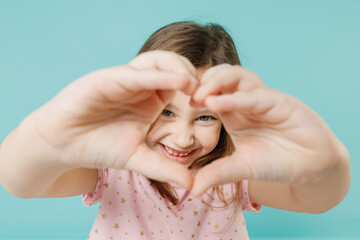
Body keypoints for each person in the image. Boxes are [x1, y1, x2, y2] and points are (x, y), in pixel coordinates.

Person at [0, 21, 351, 239]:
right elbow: (20, 181)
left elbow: (320, 199)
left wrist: (328, 163)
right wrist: (43, 137)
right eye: (167, 112)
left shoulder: (236, 174)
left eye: (205, 118)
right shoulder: (112, 169)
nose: (182, 139)